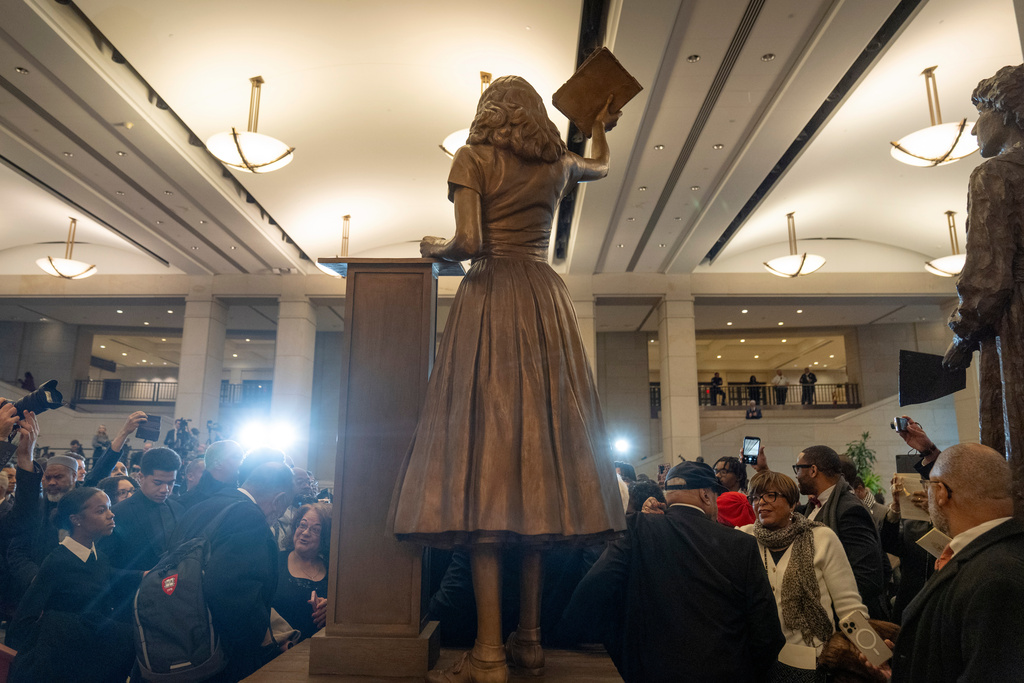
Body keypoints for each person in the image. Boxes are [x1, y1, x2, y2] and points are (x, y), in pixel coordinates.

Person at [390, 77, 626, 683]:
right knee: (534, 476)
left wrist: (431, 248)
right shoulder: (558, 164)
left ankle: (490, 653)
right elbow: (600, 162)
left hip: (492, 297)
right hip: (545, 301)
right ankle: (530, 641)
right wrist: (599, 121)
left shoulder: (473, 158)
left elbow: (468, 242)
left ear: (488, 112)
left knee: (487, 472)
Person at [563, 462, 784, 681]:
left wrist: (628, 655)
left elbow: (590, 593)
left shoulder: (637, 528)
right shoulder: (741, 544)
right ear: (706, 496)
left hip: (651, 672)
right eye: (716, 497)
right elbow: (767, 632)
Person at [868, 444, 1024, 682]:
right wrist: (908, 662)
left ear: (940, 492)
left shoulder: (996, 579)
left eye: (928, 486)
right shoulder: (998, 554)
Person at [942, 64, 1024, 471]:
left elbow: (989, 278)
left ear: (1006, 112)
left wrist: (963, 337)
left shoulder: (995, 174)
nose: (974, 131)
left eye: (980, 115)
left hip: (1015, 322)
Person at [172, 462, 293, 682]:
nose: (276, 518)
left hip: (178, 639)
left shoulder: (201, 506)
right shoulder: (250, 518)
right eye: (281, 512)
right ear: (279, 500)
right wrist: (261, 638)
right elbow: (229, 592)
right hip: (217, 657)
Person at [741, 470, 868, 681]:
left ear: (792, 504)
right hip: (757, 662)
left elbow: (849, 607)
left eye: (770, 495)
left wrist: (869, 649)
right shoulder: (744, 538)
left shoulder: (821, 538)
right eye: (755, 497)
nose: (761, 502)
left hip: (812, 660)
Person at [6, 486, 140, 682]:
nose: (111, 515)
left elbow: (108, 580)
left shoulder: (99, 558)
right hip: (61, 665)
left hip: (93, 660)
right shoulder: (57, 562)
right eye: (101, 510)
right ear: (76, 519)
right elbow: (23, 620)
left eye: (109, 508)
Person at [781, 445, 888, 619]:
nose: (796, 475)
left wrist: (821, 602)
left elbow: (867, 577)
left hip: (845, 618)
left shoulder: (849, 510)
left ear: (813, 470)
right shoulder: (814, 507)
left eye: (798, 468)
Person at [98, 447, 183, 570]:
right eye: (158, 482)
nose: (165, 489)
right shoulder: (118, 513)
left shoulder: (178, 509)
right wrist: (140, 577)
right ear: (141, 477)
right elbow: (103, 567)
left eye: (170, 483)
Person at [272, 502, 331, 642]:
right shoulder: (274, 562)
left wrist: (333, 610)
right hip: (278, 653)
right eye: (302, 525)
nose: (305, 533)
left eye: (315, 530)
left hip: (321, 652)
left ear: (326, 537)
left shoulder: (333, 569)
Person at [178, 440, 244, 509]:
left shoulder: (241, 498)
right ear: (217, 464)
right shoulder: (185, 503)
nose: (242, 462)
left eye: (243, 458)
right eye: (237, 457)